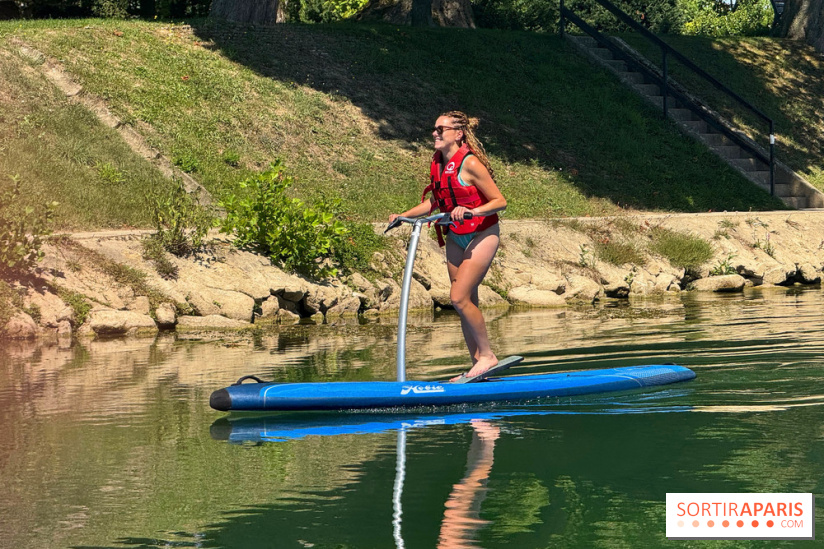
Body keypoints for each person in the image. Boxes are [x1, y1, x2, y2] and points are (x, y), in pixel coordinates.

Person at [389, 111, 507, 381]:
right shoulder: (439, 163)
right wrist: (403, 215)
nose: (435, 133)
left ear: (458, 134)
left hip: (482, 233)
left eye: (441, 129)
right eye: (434, 129)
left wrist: (473, 211)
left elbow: (500, 201)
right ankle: (478, 365)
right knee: (466, 301)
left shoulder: (470, 164)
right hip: (455, 236)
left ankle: (487, 355)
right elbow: (435, 201)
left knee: (458, 298)